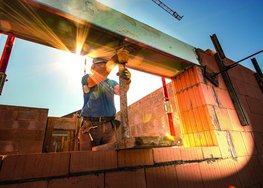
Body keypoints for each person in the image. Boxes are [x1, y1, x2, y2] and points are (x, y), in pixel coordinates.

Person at [79, 57, 131, 150]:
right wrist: (114, 61)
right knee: (86, 159)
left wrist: (127, 81)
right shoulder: (87, 78)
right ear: (93, 67)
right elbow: (91, 82)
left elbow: (122, 91)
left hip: (108, 127)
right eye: (101, 65)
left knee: (109, 157)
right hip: (89, 126)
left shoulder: (111, 82)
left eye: (105, 65)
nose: (104, 67)